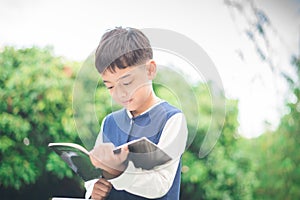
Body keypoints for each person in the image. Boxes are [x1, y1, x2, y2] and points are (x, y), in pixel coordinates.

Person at [85, 27, 188, 200]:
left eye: (127, 82)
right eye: (110, 86)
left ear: (149, 70)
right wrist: (93, 189)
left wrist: (118, 173)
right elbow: (94, 175)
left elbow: (160, 184)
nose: (119, 93)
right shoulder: (109, 122)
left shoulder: (172, 120)